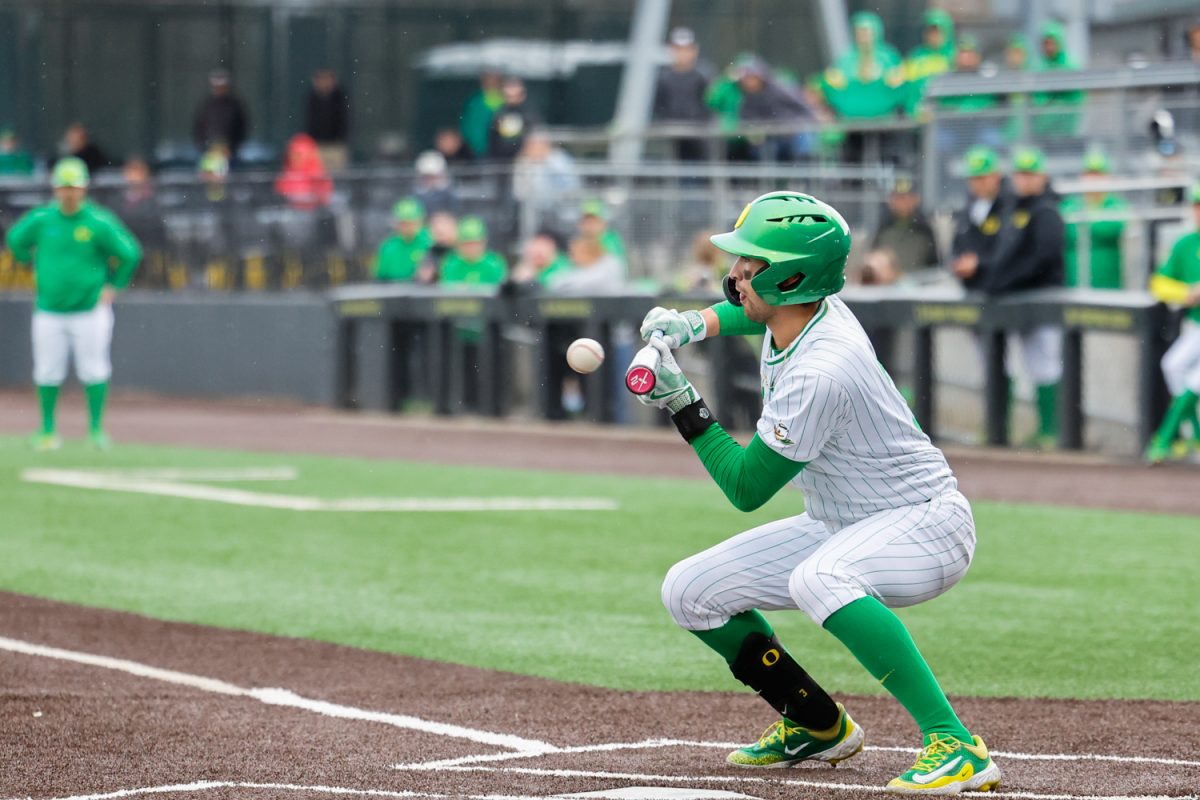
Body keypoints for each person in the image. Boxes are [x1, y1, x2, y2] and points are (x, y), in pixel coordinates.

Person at [636, 190, 1001, 794]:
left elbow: (747, 487)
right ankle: (815, 721)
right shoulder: (804, 310)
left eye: (750, 266)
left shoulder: (821, 370)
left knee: (820, 579)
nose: (733, 276)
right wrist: (692, 324)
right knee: (689, 591)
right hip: (844, 520)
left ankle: (956, 744)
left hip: (925, 525)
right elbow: (738, 308)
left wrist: (683, 404)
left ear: (790, 279)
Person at [5, 158, 142, 451]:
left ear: (84, 189)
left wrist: (114, 286)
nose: (69, 193)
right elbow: (15, 238)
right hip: (49, 309)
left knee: (94, 369)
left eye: (74, 187)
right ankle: (47, 430)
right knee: (47, 371)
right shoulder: (42, 219)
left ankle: (95, 430)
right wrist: (28, 261)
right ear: (55, 188)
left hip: (90, 309)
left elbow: (130, 252)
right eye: (64, 187)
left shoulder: (98, 221)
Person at [958, 147, 1066, 448]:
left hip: (1043, 297)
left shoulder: (1046, 209)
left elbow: (1043, 258)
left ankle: (1052, 432)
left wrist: (999, 280)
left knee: (1045, 364)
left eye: (1030, 174)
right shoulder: (1013, 209)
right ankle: (1003, 429)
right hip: (1015, 296)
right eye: (1021, 173)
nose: (1025, 180)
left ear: (1042, 176)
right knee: (1013, 364)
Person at [1145, 184, 1200, 463]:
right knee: (1172, 366)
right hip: (1197, 325)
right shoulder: (1187, 244)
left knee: (1194, 380)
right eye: (1197, 205)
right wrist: (1187, 293)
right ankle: (1197, 436)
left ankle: (1164, 439)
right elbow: (1158, 283)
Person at [819, 12, 907, 122]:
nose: (863, 36)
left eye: (866, 31)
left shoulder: (888, 58)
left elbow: (899, 86)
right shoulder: (845, 59)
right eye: (859, 32)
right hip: (853, 122)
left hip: (885, 121)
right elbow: (833, 87)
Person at [1060, 152, 1127, 289]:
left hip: (1108, 284)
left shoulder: (1116, 205)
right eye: (1090, 174)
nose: (1094, 179)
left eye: (1099, 175)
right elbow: (1064, 231)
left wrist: (1083, 223)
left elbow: (1111, 228)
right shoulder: (1069, 205)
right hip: (1073, 283)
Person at [652, 26, 713, 161]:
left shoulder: (704, 75)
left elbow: (710, 105)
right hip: (670, 136)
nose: (682, 54)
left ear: (694, 51)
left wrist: (698, 125)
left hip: (699, 136)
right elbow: (658, 106)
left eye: (687, 49)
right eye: (678, 49)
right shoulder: (662, 77)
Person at [872, 177, 939, 274]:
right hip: (887, 287)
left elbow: (933, 265)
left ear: (915, 199)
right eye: (898, 198)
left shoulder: (924, 230)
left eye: (905, 198)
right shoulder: (884, 228)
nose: (902, 203)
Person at [903, 9, 956, 115]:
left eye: (938, 32)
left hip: (949, 116)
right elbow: (907, 87)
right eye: (931, 32)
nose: (934, 36)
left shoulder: (955, 56)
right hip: (920, 117)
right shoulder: (916, 56)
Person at [192, 69, 249, 161]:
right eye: (217, 86)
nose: (220, 89)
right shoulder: (207, 105)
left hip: (230, 153)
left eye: (222, 86)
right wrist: (206, 148)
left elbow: (241, 129)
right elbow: (199, 129)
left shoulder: (235, 105)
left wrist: (232, 148)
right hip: (209, 153)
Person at [375, 198, 432, 283]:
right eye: (403, 223)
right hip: (393, 291)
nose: (407, 227)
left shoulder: (430, 242)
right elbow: (380, 276)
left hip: (424, 291)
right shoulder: (389, 246)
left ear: (420, 221)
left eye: (411, 223)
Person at [304, 68, 351, 171]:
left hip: (336, 146)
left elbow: (345, 121)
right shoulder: (312, 98)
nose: (324, 82)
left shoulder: (340, 98)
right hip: (317, 145)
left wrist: (340, 138)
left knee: (337, 175)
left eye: (327, 79)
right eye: (321, 79)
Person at [440, 216, 506, 286]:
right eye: (467, 244)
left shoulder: (494, 263)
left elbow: (501, 290)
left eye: (475, 243)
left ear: (484, 242)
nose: (471, 248)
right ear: (459, 244)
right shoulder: (450, 264)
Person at [275, 134, 333, 211]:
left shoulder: (319, 177)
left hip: (314, 216)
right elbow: (279, 197)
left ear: (309, 154)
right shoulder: (284, 176)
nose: (294, 158)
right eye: (291, 154)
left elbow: (325, 199)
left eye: (298, 155)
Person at [487, 76, 537, 161]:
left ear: (522, 95)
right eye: (508, 95)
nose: (512, 99)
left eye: (516, 95)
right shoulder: (498, 113)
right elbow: (493, 139)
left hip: (523, 159)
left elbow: (533, 136)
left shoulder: (529, 114)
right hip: (500, 160)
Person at [460, 72, 504, 160]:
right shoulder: (474, 102)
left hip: (503, 150)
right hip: (478, 148)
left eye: (494, 81)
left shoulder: (506, 102)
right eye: (488, 81)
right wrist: (472, 143)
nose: (491, 85)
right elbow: (466, 124)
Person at [577, 200, 626, 265]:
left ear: (603, 223)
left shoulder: (610, 241)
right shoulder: (581, 241)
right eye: (586, 221)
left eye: (593, 221)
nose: (588, 226)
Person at [413, 151, 460, 216]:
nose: (430, 180)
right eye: (427, 176)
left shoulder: (448, 195)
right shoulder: (416, 195)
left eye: (433, 176)